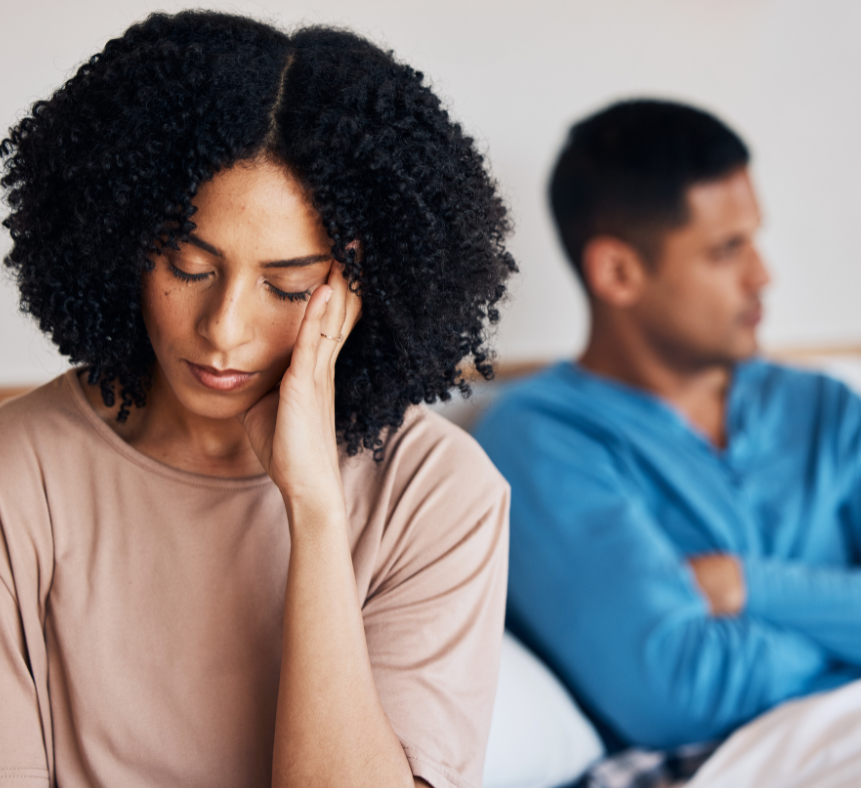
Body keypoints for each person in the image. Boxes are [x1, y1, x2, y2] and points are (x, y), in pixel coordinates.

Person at [0, 11, 515, 788]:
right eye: (190, 265)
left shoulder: (438, 495)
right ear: (123, 239)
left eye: (289, 286)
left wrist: (313, 508)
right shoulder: (19, 475)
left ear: (359, 292)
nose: (223, 331)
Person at [473, 99, 861, 752]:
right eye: (726, 250)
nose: (763, 275)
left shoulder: (827, 410)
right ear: (617, 272)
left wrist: (745, 585)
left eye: (755, 238)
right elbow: (678, 692)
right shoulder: (539, 443)